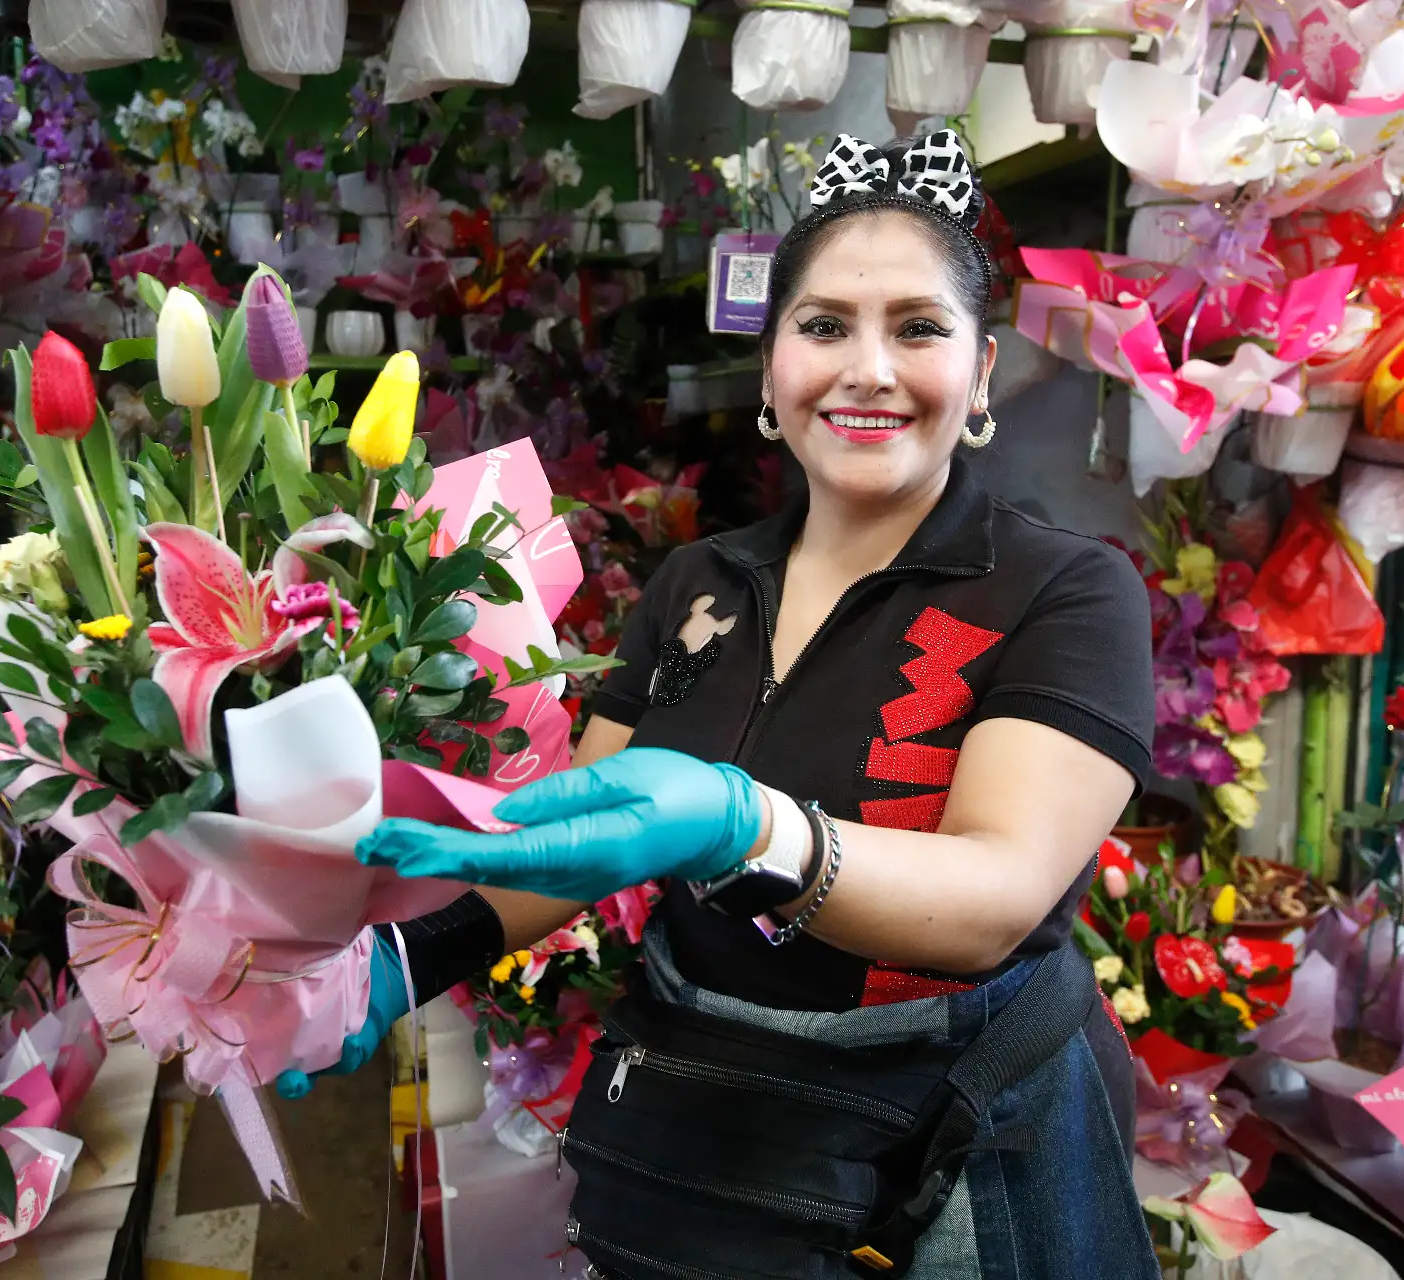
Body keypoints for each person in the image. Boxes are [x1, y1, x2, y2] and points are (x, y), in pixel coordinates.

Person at [283, 129, 1159, 1279]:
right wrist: (399, 954)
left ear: (983, 370)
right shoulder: (701, 584)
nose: (869, 367)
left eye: (920, 327)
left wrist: (757, 828)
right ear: (771, 364)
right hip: (714, 1148)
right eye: (825, 325)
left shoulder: (1064, 588)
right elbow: (573, 833)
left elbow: (996, 891)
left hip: (950, 1155)